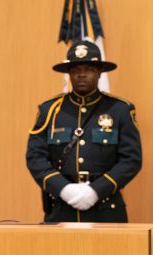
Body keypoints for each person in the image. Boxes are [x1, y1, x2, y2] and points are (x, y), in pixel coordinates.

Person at [26, 41, 141, 222]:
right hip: (62, 207)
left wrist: (96, 191)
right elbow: (35, 157)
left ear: (99, 72)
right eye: (75, 69)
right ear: (69, 74)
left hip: (106, 208)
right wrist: (63, 188)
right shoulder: (50, 110)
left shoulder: (119, 110)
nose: (81, 74)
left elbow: (132, 159)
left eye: (89, 69)